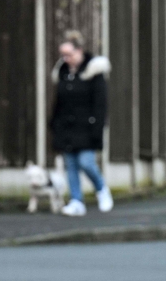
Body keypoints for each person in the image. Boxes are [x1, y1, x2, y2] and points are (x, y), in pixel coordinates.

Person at [50, 30, 113, 216]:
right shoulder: (62, 73)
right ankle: (76, 201)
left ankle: (102, 189)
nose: (65, 58)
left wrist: (97, 127)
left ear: (79, 51)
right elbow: (59, 102)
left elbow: (100, 104)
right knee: (71, 165)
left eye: (69, 54)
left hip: (86, 127)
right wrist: (54, 123)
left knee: (86, 162)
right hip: (66, 127)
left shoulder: (94, 71)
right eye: (63, 55)